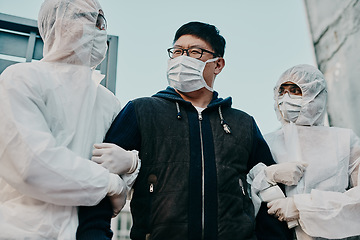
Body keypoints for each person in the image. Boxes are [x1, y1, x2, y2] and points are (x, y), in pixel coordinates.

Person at [77, 21, 293, 240]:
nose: (182, 58)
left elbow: (270, 193)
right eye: (177, 51)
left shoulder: (243, 123)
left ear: (217, 64)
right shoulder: (142, 110)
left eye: (195, 52)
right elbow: (101, 177)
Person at [0, 0, 139, 239]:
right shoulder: (22, 79)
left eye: (101, 21)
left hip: (85, 231)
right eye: (86, 18)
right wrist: (110, 184)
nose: (98, 29)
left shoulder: (108, 102)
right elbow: (31, 165)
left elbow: (119, 189)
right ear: (57, 24)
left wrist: (131, 165)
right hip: (22, 230)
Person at [251, 64, 360, 239]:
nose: (286, 98)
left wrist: (303, 206)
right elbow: (241, 196)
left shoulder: (344, 140)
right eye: (282, 91)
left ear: (317, 95)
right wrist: (266, 175)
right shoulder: (265, 142)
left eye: (295, 90)